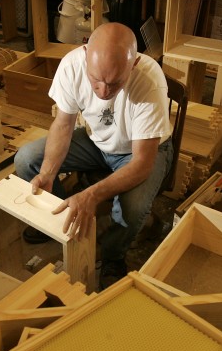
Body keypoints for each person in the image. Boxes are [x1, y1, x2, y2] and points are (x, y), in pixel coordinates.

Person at [14, 22, 173, 289]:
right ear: (85, 53)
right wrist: (47, 173)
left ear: (133, 66)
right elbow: (63, 125)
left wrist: (92, 195)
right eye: (95, 80)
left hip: (136, 152)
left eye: (114, 83)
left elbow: (143, 164)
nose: (102, 91)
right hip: (95, 141)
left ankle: (113, 256)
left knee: (131, 209)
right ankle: (65, 219)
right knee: (27, 159)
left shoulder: (149, 80)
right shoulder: (72, 65)